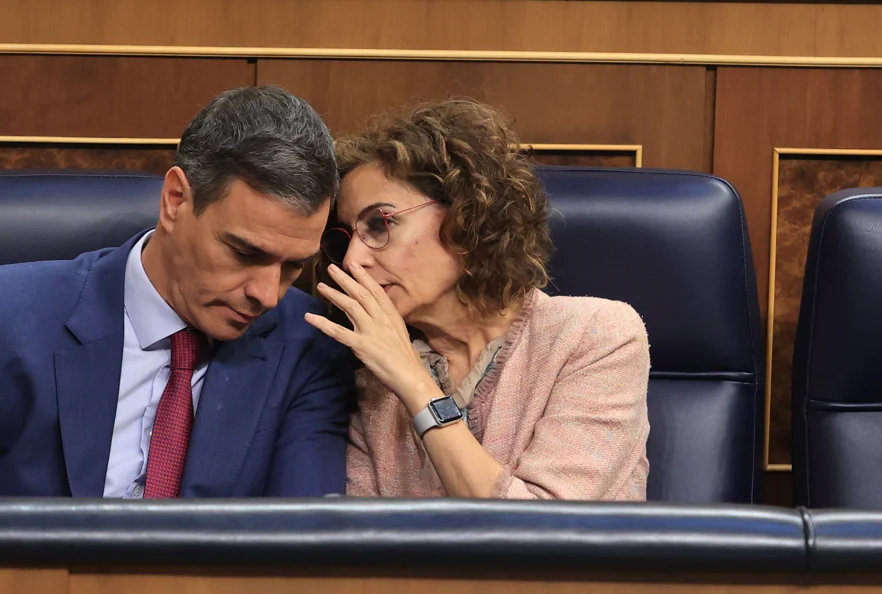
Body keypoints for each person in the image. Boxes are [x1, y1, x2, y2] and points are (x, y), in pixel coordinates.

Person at [0, 85, 354, 498]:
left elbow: (303, 544)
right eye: (244, 252)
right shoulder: (12, 317)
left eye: (294, 265)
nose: (268, 295)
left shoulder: (308, 347)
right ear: (176, 200)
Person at [306, 98, 650, 499]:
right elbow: (364, 543)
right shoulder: (376, 378)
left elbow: (544, 539)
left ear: (467, 215)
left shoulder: (596, 336)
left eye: (380, 224)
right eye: (343, 239)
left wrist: (415, 385)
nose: (353, 260)